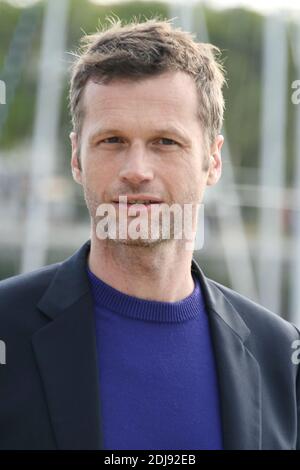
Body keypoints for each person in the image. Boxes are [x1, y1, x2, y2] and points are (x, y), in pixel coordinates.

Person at [0, 17, 299, 451]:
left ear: (213, 161)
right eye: (112, 141)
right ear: (76, 157)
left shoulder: (280, 354)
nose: (136, 171)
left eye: (165, 142)